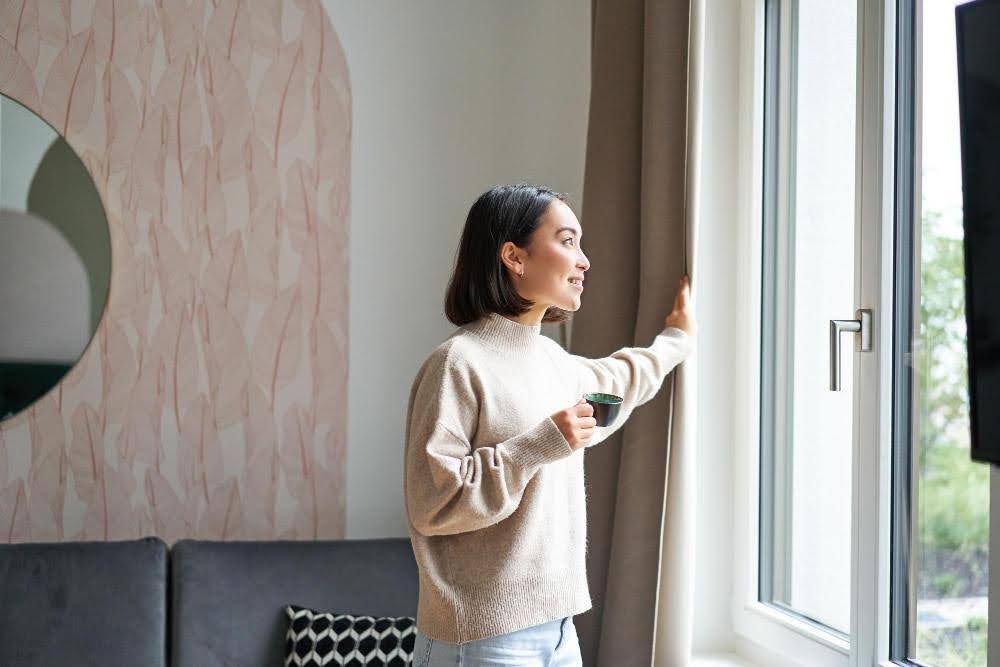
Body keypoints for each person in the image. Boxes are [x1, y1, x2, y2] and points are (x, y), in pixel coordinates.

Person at [403, 183, 696, 666]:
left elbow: (619, 377)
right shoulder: (458, 363)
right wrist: (539, 445)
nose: (584, 261)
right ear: (514, 257)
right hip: (481, 641)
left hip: (560, 634)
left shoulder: (554, 362)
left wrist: (675, 341)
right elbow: (434, 504)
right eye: (566, 241)